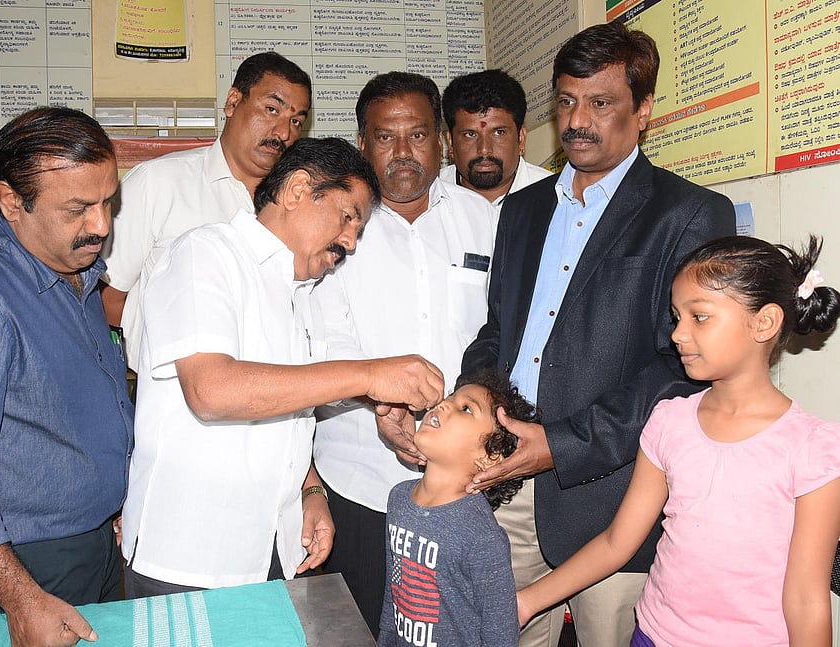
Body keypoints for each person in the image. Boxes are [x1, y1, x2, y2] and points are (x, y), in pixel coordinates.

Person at [458, 22, 737, 647]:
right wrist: (472, 403)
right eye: (566, 101)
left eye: (601, 102)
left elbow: (678, 371)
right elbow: (499, 330)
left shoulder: (689, 213)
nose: (578, 120)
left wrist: (559, 444)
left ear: (643, 109)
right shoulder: (522, 210)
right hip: (504, 482)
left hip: (614, 496)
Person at [120, 137, 446, 598]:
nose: (351, 242)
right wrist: (369, 375)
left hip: (276, 550)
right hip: (191, 557)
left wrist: (310, 491)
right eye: (347, 216)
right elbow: (212, 391)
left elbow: (285, 410)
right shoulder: (205, 254)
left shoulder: (300, 290)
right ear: (297, 191)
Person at [517, 235, 840, 646]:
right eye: (676, 317)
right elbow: (618, 542)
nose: (678, 335)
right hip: (655, 635)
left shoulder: (814, 448)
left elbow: (807, 599)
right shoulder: (670, 420)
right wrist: (528, 600)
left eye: (699, 317)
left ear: (765, 322)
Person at [0, 107, 133, 646]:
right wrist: (21, 598)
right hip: (14, 567)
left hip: (92, 545)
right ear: (10, 202)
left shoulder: (75, 268)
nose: (101, 226)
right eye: (78, 209)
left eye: (107, 203)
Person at [312, 71, 496, 635]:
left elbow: (503, 332)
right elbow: (323, 340)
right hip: (358, 477)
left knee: (455, 628)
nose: (402, 153)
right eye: (385, 138)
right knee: (361, 626)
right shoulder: (332, 227)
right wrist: (378, 405)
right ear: (362, 143)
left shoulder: (485, 221)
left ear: (440, 138)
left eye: (417, 135)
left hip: (468, 485)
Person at [101, 51, 312, 369]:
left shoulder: (298, 203)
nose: (284, 133)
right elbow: (107, 298)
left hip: (275, 396)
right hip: (174, 398)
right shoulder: (158, 182)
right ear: (232, 102)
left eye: (296, 121)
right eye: (271, 110)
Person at [378, 370, 535, 647]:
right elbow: (394, 593)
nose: (443, 404)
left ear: (490, 456)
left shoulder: (481, 535)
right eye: (449, 397)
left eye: (465, 408)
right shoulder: (399, 499)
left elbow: (500, 630)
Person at [440, 69, 550, 208]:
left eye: (499, 132)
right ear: (450, 142)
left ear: (521, 138)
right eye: (470, 134)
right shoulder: (428, 198)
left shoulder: (555, 197)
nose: (484, 150)